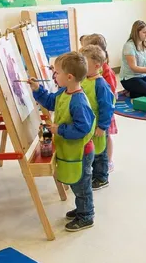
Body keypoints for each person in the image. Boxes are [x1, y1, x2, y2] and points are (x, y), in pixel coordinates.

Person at [29, 52, 97, 232]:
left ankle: (86, 215)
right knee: (76, 182)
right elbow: (51, 101)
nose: (53, 76)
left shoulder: (78, 101)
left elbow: (82, 129)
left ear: (69, 77)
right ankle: (81, 208)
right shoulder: (64, 92)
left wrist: (60, 130)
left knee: (82, 184)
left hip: (81, 152)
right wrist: (37, 89)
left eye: (56, 73)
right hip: (70, 149)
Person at [80, 33, 118, 172]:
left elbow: (109, 98)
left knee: (104, 142)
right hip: (95, 116)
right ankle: (98, 168)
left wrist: (102, 125)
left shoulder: (103, 77)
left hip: (104, 115)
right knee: (96, 144)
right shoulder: (88, 75)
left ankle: (106, 165)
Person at [119, 20, 146, 98]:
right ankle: (131, 93)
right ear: (136, 33)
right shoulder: (129, 46)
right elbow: (134, 68)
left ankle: (135, 92)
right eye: (144, 32)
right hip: (129, 78)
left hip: (142, 76)